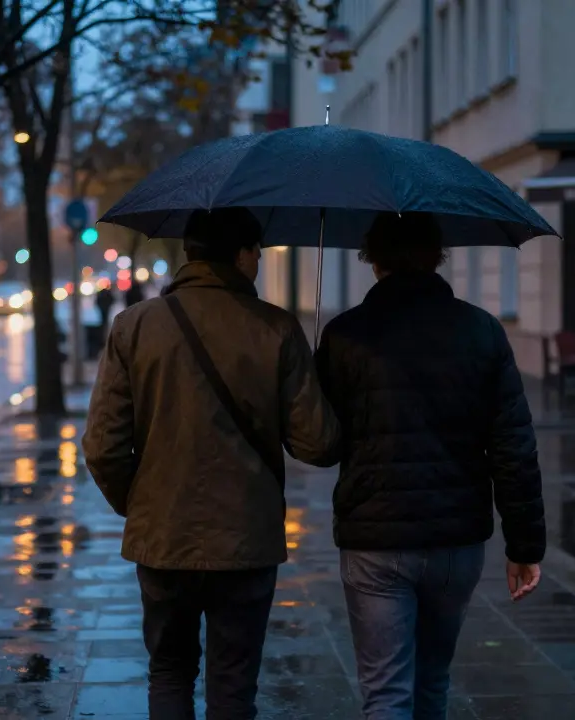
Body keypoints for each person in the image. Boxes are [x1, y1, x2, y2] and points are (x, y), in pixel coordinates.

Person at [83, 207, 340, 720]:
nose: (259, 263)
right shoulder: (277, 329)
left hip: (162, 536)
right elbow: (318, 444)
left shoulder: (134, 327)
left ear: (189, 253)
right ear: (243, 255)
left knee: (170, 672)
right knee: (233, 684)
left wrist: (140, 505)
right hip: (246, 539)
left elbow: (102, 445)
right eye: (258, 253)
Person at [314, 212, 545, 720]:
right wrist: (524, 545)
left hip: (373, 536)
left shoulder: (345, 334)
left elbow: (322, 446)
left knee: (385, 692)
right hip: (454, 539)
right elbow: (513, 445)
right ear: (436, 255)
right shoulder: (481, 331)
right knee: (432, 682)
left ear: (373, 260)